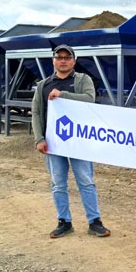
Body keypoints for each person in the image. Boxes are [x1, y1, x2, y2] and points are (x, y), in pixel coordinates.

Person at [32, 44, 111, 238]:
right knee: (58, 183)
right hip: (53, 143)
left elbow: (89, 99)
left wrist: (63, 95)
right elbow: (36, 112)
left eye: (67, 57)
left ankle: (95, 221)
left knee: (86, 181)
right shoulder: (43, 85)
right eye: (59, 57)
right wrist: (39, 138)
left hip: (80, 142)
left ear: (73, 61)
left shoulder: (83, 80)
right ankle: (64, 222)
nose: (63, 60)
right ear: (54, 61)